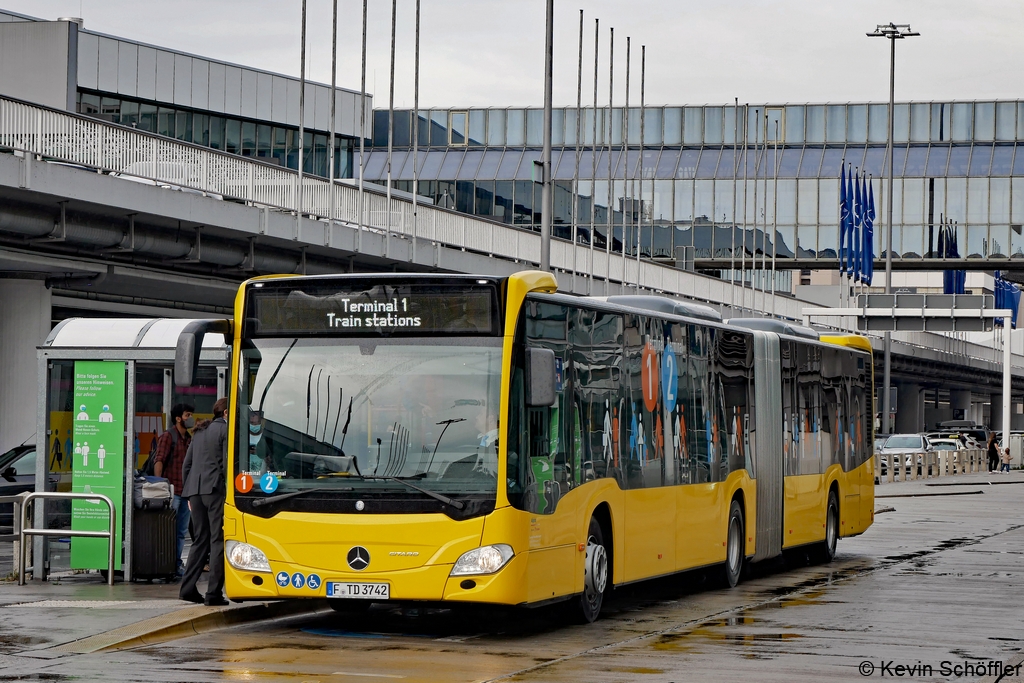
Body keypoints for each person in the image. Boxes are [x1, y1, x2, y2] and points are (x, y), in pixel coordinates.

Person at [179, 397, 229, 606]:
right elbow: (227, 464)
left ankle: (188, 589)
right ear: (226, 413)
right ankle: (213, 594)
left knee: (200, 540)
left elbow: (186, 466)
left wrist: (189, 493)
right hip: (215, 490)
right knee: (217, 540)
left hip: (195, 491)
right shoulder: (225, 431)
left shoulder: (199, 432)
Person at [153, 402, 194, 576]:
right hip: (171, 492)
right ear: (178, 418)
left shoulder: (189, 439)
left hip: (185, 492)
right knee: (167, 531)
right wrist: (159, 485)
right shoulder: (168, 436)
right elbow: (159, 460)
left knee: (181, 532)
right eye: (187, 415)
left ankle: (176, 564)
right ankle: (165, 565)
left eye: (190, 414)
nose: (190, 418)